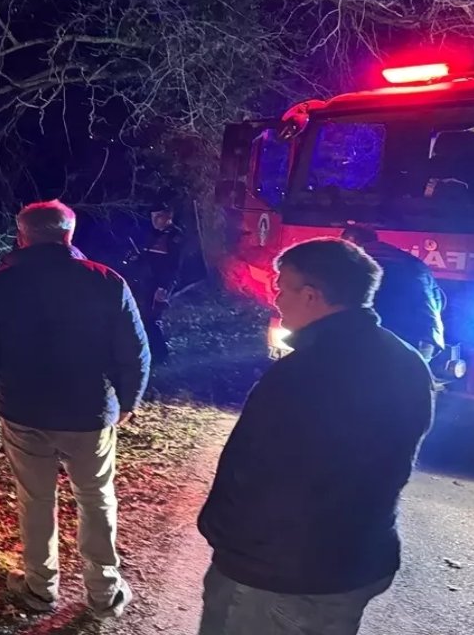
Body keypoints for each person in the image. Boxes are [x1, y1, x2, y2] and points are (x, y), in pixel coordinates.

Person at [197, 238, 434, 635]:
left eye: (281, 287)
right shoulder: (407, 361)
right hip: (354, 561)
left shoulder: (305, 373)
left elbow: (265, 477)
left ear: (311, 296)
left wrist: (226, 541)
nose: (275, 299)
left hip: (280, 576)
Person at [0, 199, 150, 618]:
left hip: (24, 415)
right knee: (97, 498)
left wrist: (1, 399)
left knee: (35, 499)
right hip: (90, 414)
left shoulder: (0, 284)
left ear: (22, 236)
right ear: (70, 235)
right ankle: (103, 593)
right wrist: (126, 402)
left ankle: (39, 587)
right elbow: (135, 353)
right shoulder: (106, 281)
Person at [341, 224, 445, 361]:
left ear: (351, 240)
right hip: (427, 337)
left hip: (391, 338)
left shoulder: (360, 260)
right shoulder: (413, 261)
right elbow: (440, 301)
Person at [123, 205, 185, 365]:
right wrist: (135, 258)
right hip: (146, 282)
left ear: (168, 216)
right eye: (153, 216)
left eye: (159, 216)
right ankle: (149, 353)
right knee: (143, 317)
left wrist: (164, 287)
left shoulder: (174, 236)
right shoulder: (152, 234)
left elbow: (174, 266)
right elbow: (147, 257)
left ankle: (160, 355)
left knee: (152, 319)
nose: (155, 220)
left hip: (160, 284)